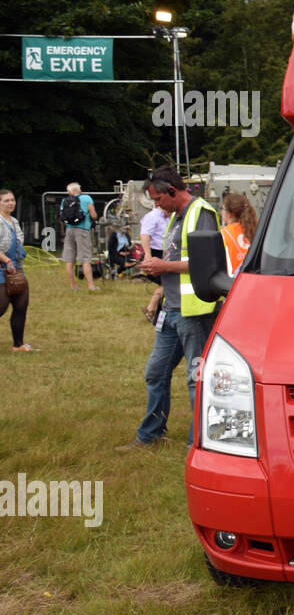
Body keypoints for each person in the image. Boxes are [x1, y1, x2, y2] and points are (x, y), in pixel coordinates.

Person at [118, 168, 221, 453]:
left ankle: (199, 443)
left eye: (158, 199)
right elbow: (178, 259)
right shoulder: (175, 216)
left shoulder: (201, 213)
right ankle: (150, 434)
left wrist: (163, 266)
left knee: (195, 378)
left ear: (173, 191)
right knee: (156, 372)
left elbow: (208, 263)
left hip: (194, 311)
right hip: (172, 309)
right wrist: (155, 269)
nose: (156, 206)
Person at [0, 189, 34, 352]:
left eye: (12, 200)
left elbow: (17, 244)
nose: (10, 203)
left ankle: (18, 345)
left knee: (21, 305)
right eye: (6, 200)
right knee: (1, 307)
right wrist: (6, 259)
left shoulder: (13, 220)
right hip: (1, 270)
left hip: (16, 270)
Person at [61, 182, 98, 291]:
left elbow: (62, 216)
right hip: (82, 230)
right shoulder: (86, 198)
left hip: (69, 230)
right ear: (79, 190)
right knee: (85, 259)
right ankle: (91, 286)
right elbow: (93, 215)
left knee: (69, 260)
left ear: (70, 192)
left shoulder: (64, 201)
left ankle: (73, 286)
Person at [220, 192, 258, 275]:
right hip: (254, 278)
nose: (221, 213)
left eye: (222, 209)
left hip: (234, 281)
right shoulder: (255, 230)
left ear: (230, 214)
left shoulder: (224, 233)